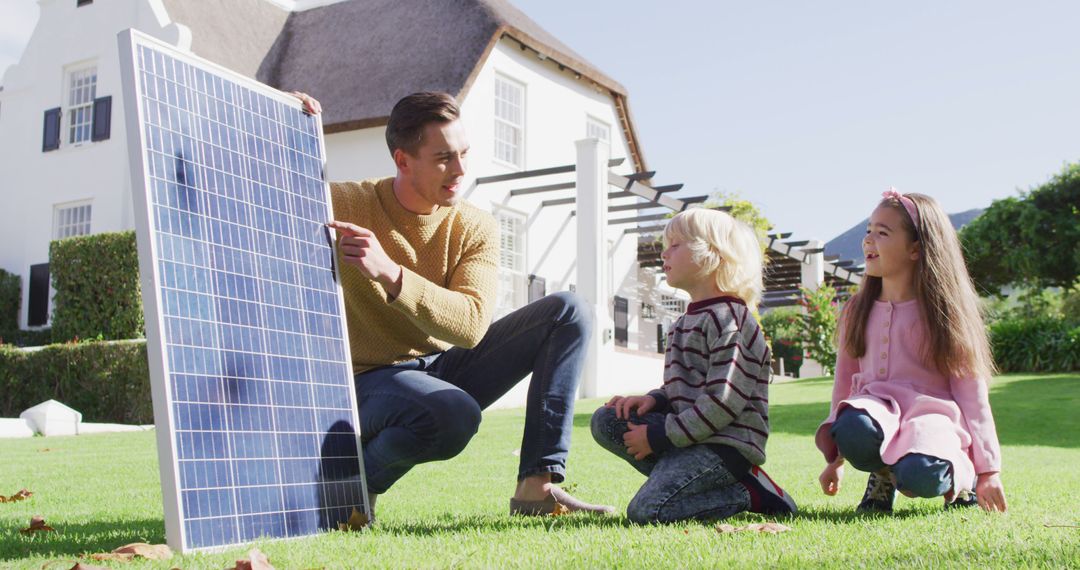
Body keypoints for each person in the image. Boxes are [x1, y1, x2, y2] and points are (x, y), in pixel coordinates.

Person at [293, 91, 612, 517]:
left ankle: (536, 487)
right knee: (452, 414)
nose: (460, 170)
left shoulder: (475, 225)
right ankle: (351, 487)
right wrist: (279, 118)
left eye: (464, 153)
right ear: (403, 160)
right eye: (444, 157)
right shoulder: (345, 202)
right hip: (367, 379)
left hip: (442, 365)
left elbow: (471, 325)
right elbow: (255, 186)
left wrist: (390, 272)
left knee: (568, 310)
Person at [589, 209, 797, 524]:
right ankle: (683, 480)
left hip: (724, 447)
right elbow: (683, 388)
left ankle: (749, 491)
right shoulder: (684, 322)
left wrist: (658, 437)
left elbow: (722, 401)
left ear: (713, 255)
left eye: (675, 245)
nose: (663, 252)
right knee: (606, 419)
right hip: (690, 437)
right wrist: (654, 400)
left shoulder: (732, 321)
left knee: (647, 512)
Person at [815, 189, 1008, 513]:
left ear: (916, 248)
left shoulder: (944, 313)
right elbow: (844, 385)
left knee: (921, 476)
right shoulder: (856, 310)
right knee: (851, 425)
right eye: (868, 230)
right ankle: (882, 476)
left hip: (933, 417)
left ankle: (961, 479)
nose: (868, 240)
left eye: (882, 232)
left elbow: (972, 396)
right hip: (876, 409)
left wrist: (989, 470)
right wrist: (836, 459)